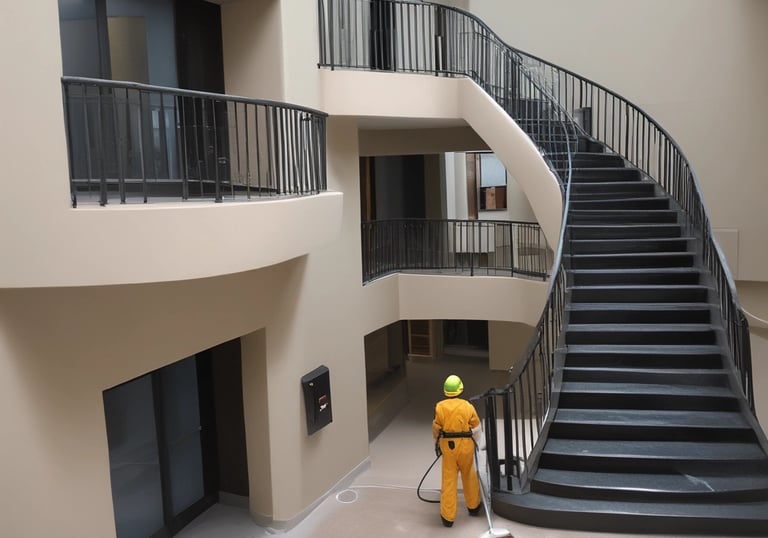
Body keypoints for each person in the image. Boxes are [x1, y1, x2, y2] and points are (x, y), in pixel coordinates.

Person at [432, 374, 484, 528]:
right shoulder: (467, 406)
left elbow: (436, 427)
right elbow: (476, 426)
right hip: (466, 445)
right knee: (469, 475)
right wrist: (477, 443)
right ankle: (473, 506)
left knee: (449, 479)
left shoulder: (440, 406)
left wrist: (436, 444)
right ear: (460, 388)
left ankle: (448, 517)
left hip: (448, 447)